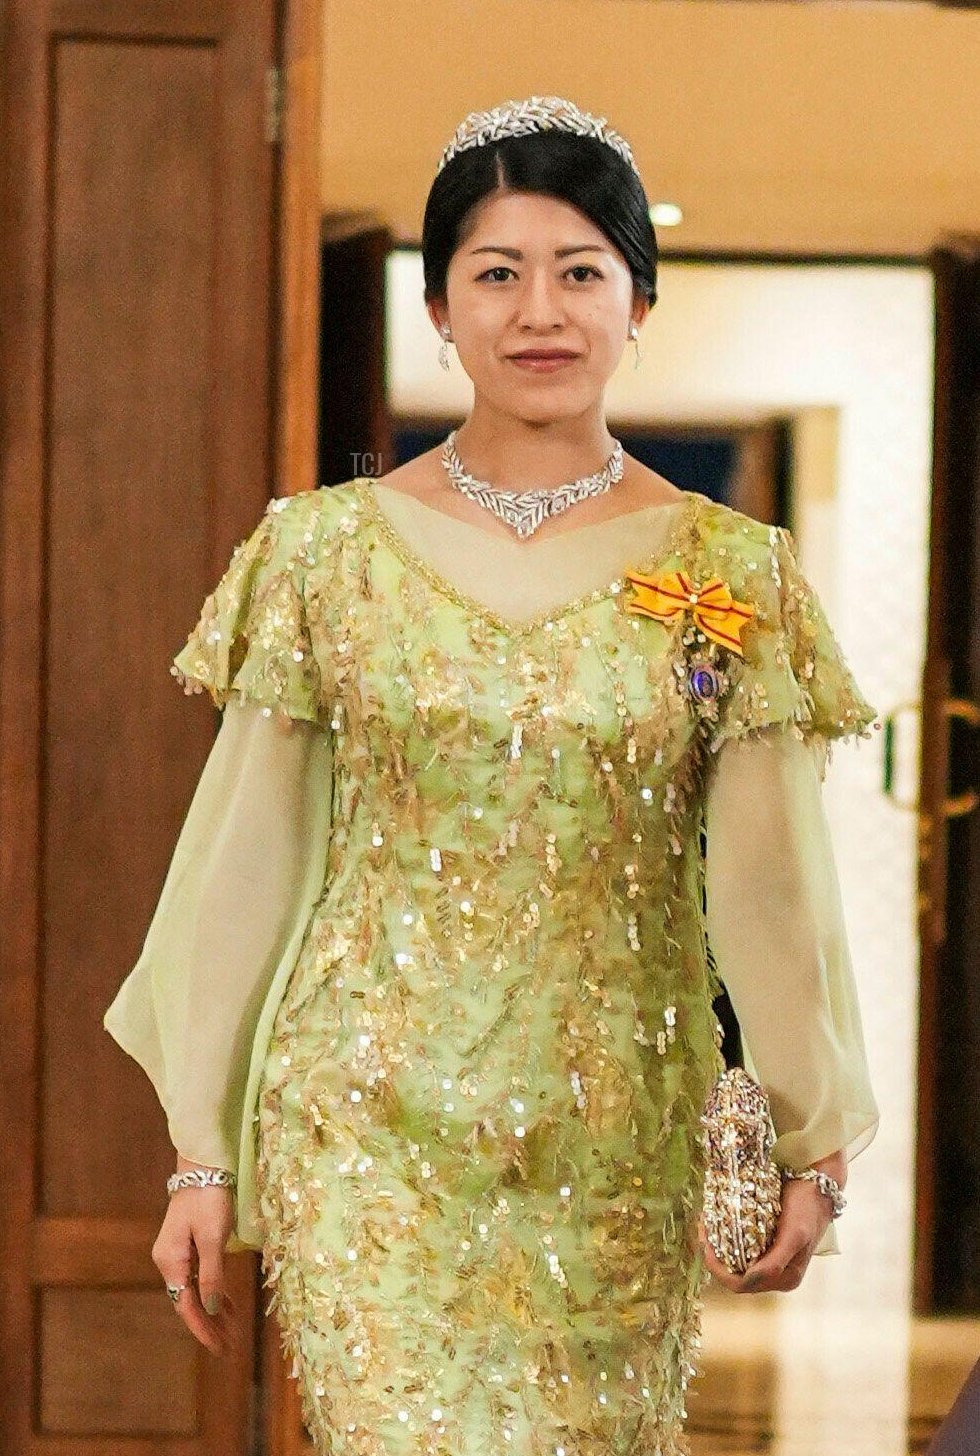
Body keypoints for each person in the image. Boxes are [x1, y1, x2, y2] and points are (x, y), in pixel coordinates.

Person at [103, 95, 881, 1456]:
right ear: (440, 309)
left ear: (639, 302)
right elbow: (246, 860)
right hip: (361, 1127)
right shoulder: (322, 556)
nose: (542, 310)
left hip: (615, 1141)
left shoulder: (728, 574)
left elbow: (770, 883)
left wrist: (812, 1142)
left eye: (582, 272)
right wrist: (201, 1152)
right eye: (497, 274)